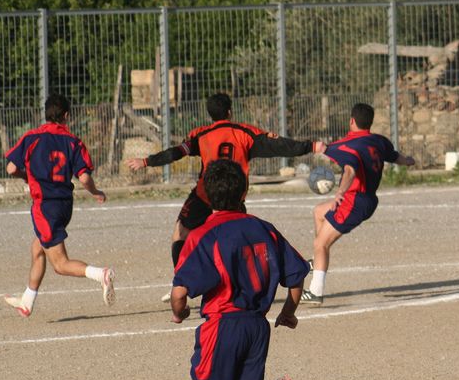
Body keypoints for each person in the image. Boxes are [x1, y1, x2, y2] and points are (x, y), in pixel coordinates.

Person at [170, 159, 311, 380]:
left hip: (222, 326)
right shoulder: (264, 228)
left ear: (207, 195)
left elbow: (179, 292)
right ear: (244, 192)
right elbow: (296, 276)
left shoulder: (202, 234)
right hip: (257, 329)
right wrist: (288, 312)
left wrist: (179, 313)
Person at [126, 92, 325, 301]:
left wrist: (146, 161)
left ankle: (181, 283)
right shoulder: (246, 133)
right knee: (243, 240)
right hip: (233, 197)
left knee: (180, 234)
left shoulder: (200, 134)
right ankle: (280, 271)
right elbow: (280, 145)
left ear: (210, 114)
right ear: (229, 112)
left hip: (205, 194)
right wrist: (311, 146)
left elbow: (176, 152)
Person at [2, 94, 114, 317]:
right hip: (64, 206)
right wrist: (95, 192)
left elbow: (11, 169)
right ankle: (27, 301)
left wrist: (27, 176)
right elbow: (84, 178)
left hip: (45, 207)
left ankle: (101, 274)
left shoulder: (32, 137)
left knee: (61, 265)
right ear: (66, 116)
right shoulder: (73, 142)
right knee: (38, 249)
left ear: (46, 114)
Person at [301, 102, 415, 306]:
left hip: (353, 201)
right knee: (319, 211)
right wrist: (408, 161)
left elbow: (350, 170)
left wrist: (340, 192)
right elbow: (395, 156)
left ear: (351, 120)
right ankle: (318, 260)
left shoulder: (347, 145)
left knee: (321, 244)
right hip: (368, 199)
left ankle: (315, 291)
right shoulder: (378, 141)